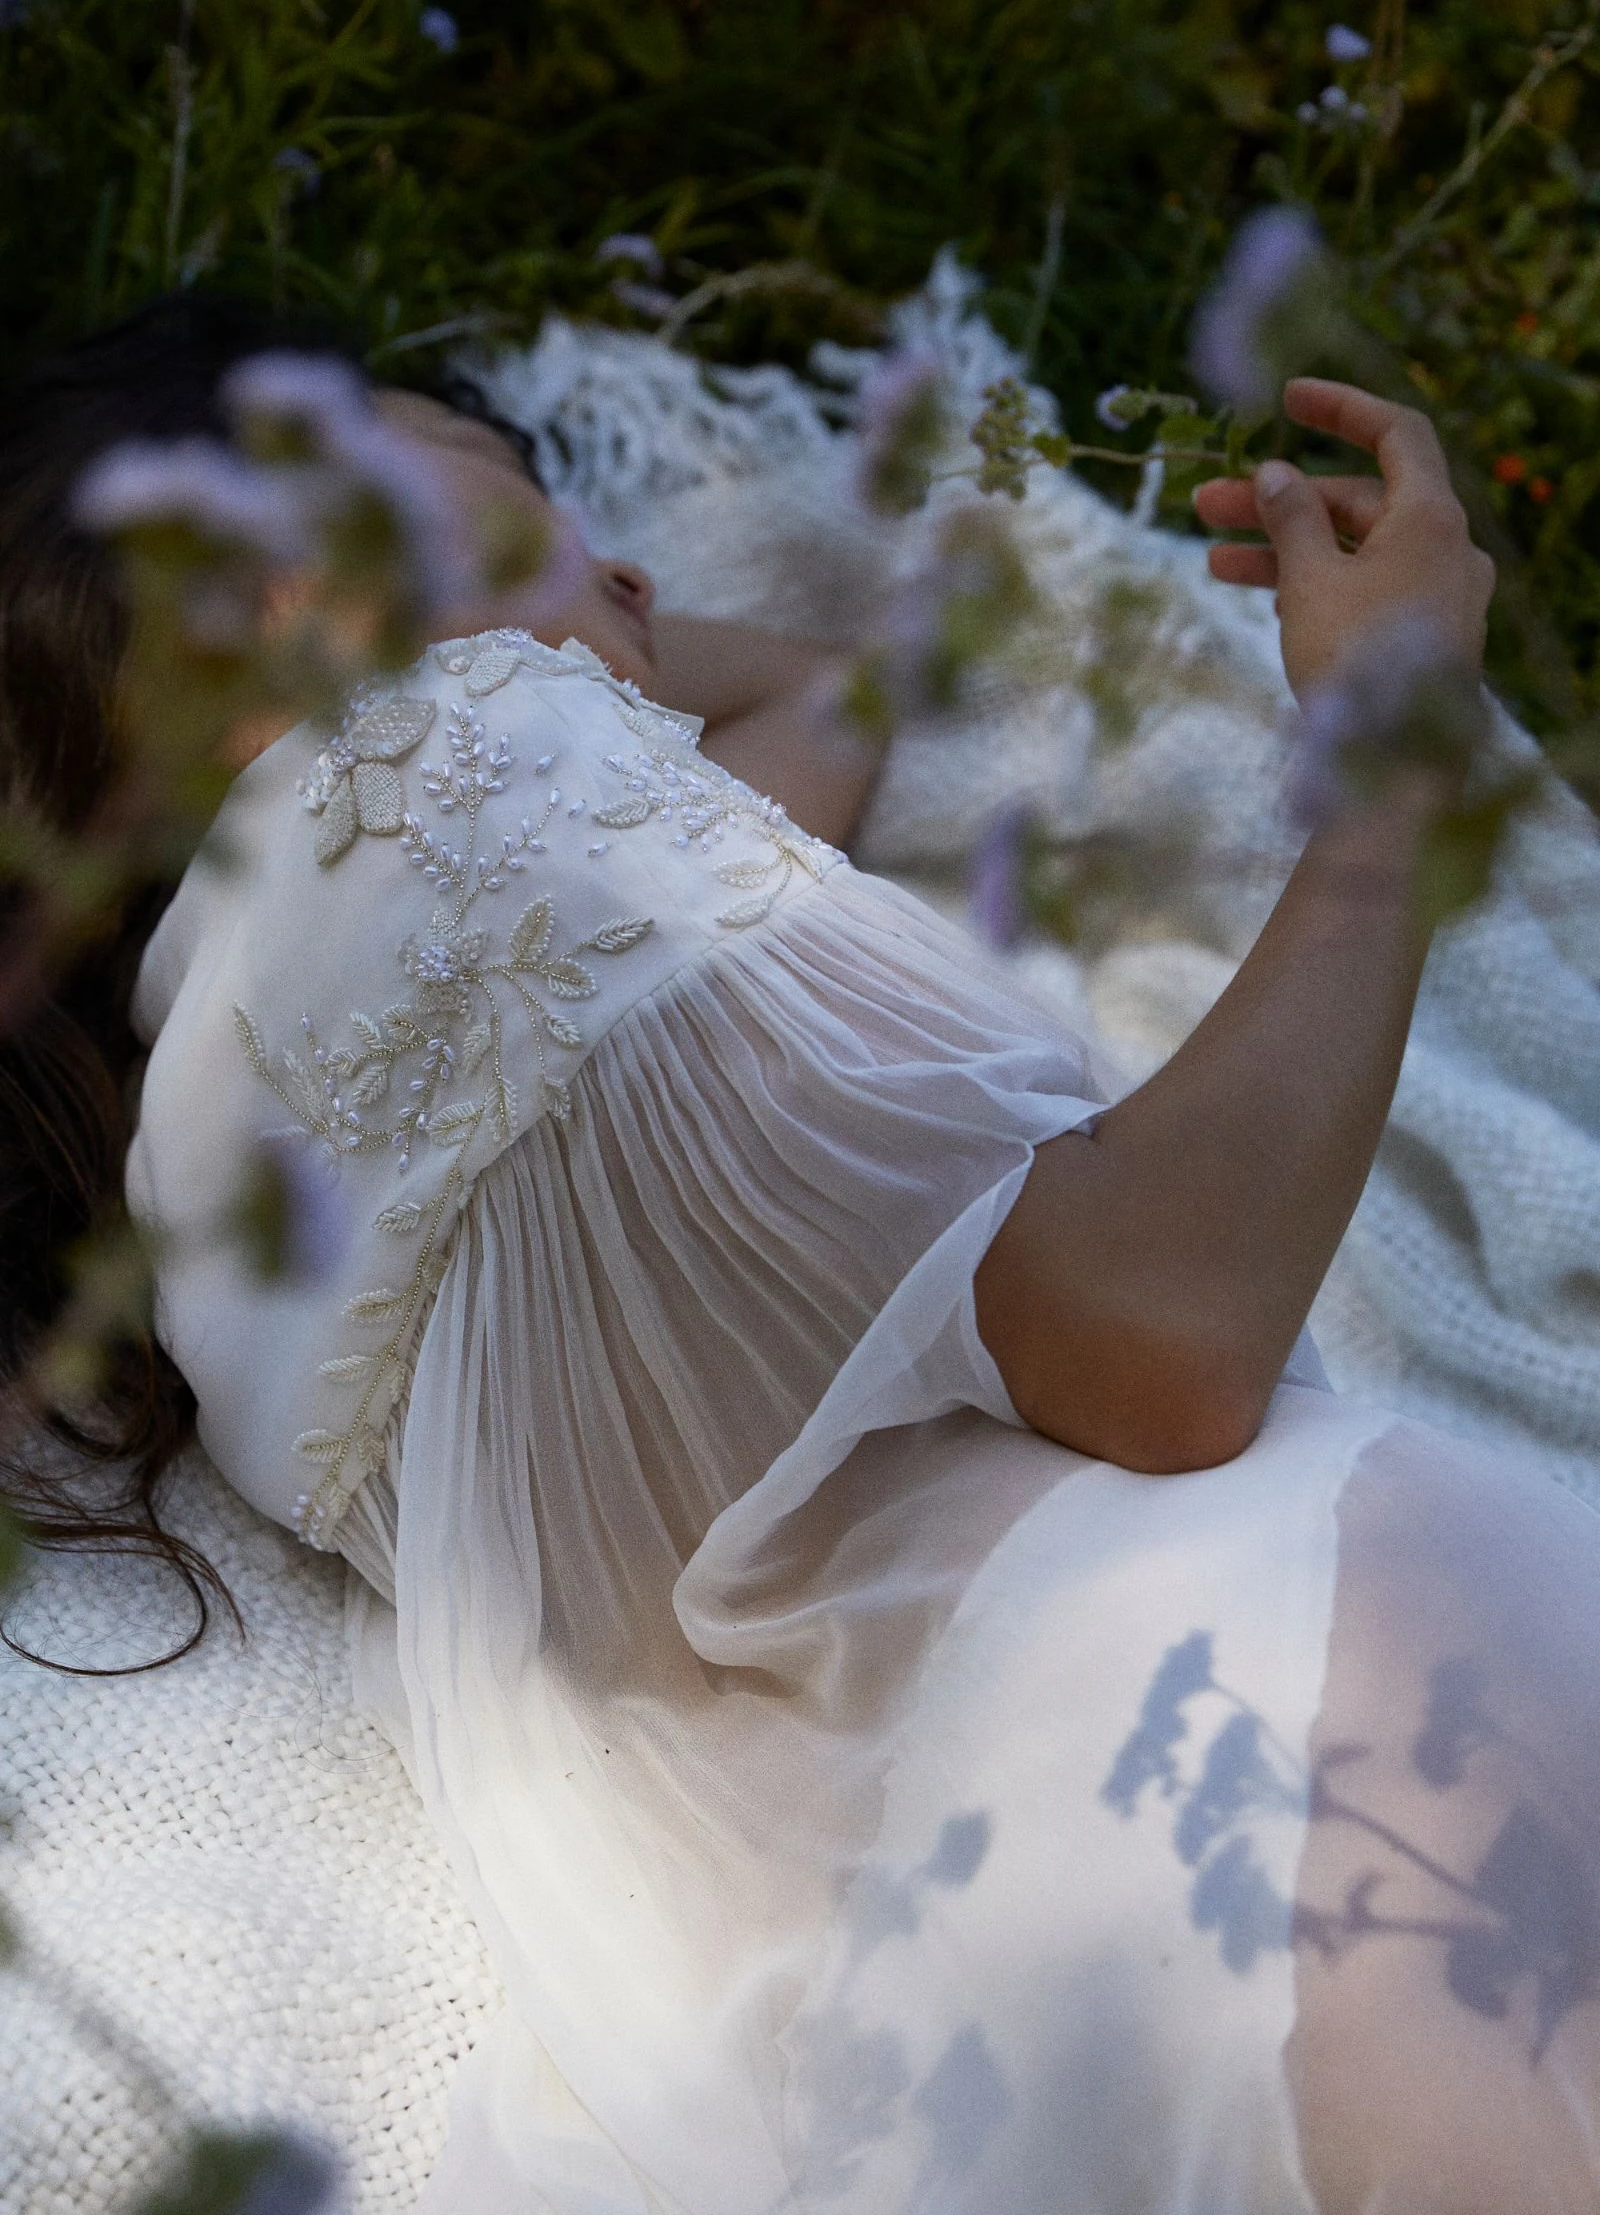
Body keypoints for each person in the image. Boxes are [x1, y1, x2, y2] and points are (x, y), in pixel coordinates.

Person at [8, 297, 1600, 2211]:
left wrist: (541, 604)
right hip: (1289, 1760)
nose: (629, 567)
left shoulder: (222, 1159)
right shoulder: (491, 792)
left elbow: (827, 699)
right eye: (506, 478)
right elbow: (1162, 1339)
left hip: (986, 1982)